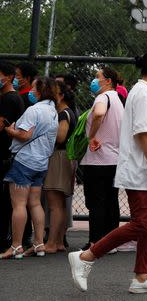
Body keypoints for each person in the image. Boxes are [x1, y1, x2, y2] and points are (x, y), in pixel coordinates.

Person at [68, 49, 147, 293]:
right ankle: (86, 257)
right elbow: (144, 132)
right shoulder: (143, 93)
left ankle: (141, 277)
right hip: (142, 169)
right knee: (142, 223)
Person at [0, 77, 59, 259]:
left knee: (18, 204)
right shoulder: (53, 112)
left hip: (24, 161)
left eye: (34, 88)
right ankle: (39, 243)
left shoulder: (34, 110)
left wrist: (9, 130)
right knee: (35, 203)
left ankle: (16, 246)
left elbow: (24, 135)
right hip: (41, 162)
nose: (31, 92)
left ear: (40, 90)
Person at [81, 66, 124, 250]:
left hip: (98, 159)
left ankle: (96, 242)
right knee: (111, 201)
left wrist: (91, 136)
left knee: (96, 202)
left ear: (108, 81)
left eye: (97, 77)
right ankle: (110, 241)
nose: (94, 80)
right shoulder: (118, 100)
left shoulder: (103, 97)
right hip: (114, 159)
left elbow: (98, 113)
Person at [43, 80, 77, 254]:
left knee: (55, 203)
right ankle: (58, 242)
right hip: (66, 158)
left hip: (59, 157)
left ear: (61, 95)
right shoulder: (70, 112)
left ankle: (51, 242)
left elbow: (61, 137)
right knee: (61, 204)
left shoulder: (63, 114)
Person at [0, 61, 26, 252]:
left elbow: (2, 125)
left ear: (8, 77)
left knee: (4, 201)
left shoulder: (10, 99)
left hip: (4, 154)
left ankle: (4, 238)